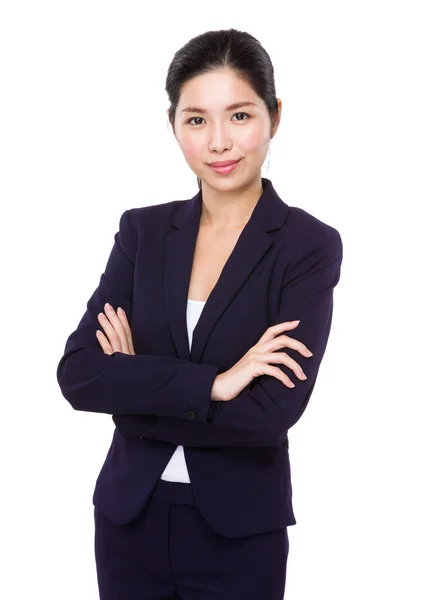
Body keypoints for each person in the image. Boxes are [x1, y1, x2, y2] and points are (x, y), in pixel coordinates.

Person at [57, 28, 343, 600]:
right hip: (128, 521)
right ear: (173, 125)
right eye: (196, 120)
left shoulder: (306, 246)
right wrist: (216, 384)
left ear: (274, 116)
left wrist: (136, 386)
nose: (218, 142)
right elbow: (80, 375)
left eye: (239, 116)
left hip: (238, 533)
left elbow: (270, 412)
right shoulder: (142, 232)